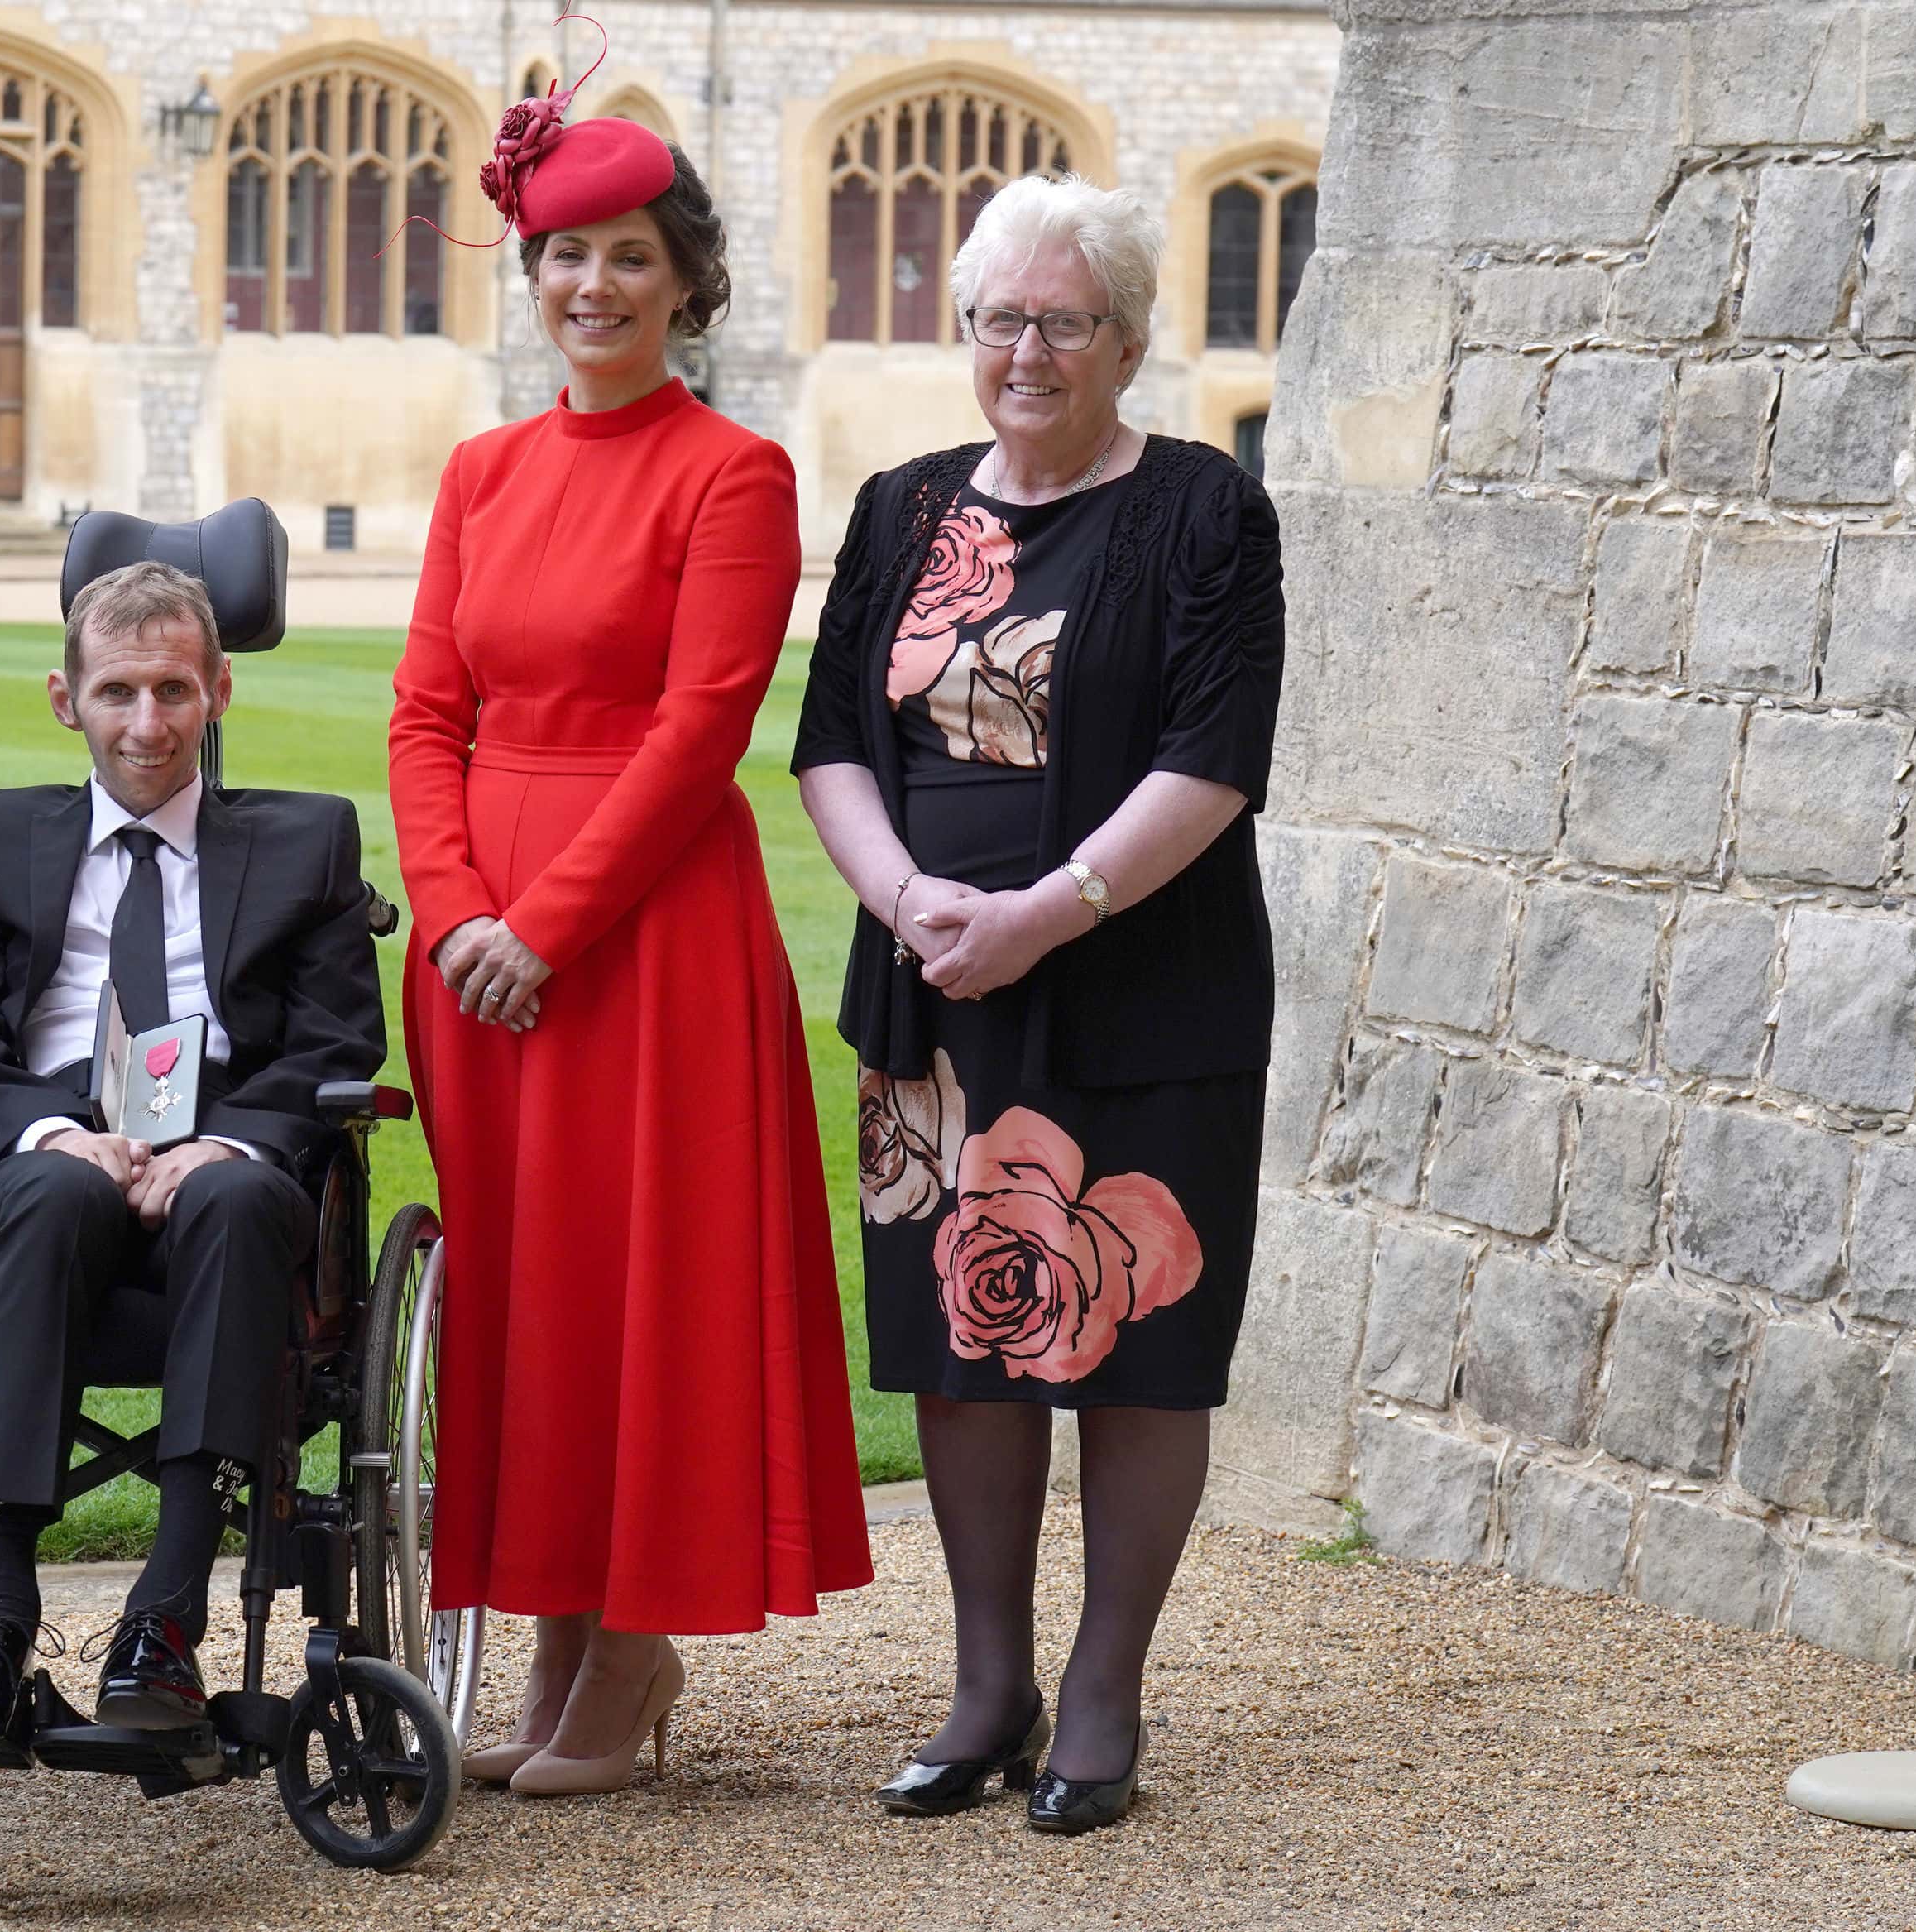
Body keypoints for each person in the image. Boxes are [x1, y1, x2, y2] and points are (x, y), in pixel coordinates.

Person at [386, 50, 873, 1799]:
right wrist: (452, 916)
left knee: (627, 1284)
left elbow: (699, 731)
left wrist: (549, 924)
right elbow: (423, 711)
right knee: (520, 1297)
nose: (589, 287)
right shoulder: (480, 473)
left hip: (640, 935)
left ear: (685, 283)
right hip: (476, 951)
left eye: (625, 258)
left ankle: (634, 1637)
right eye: (562, 257)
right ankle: (548, 1624)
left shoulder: (729, 474)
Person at [791, 174, 1284, 1835]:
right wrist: (907, 897)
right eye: (1000, 316)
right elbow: (833, 742)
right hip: (935, 995)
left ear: (1127, 339)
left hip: (1148, 991)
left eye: (1062, 320)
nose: (1026, 348)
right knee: (961, 1342)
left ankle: (1100, 1688)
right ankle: (984, 1679)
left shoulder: (1208, 511)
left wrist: (1047, 909)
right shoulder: (900, 505)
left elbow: (1213, 761)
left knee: (1139, 1347)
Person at [0, 560, 387, 1740]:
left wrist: (224, 1143)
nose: (147, 723)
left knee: (236, 1203)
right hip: (39, 1147)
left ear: (219, 691)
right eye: (118, 691)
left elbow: (337, 1043)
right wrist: (59, 1132)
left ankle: (164, 1619)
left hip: (225, 1157)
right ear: (67, 701)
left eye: (174, 690)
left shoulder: (304, 841)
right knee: (57, 1195)